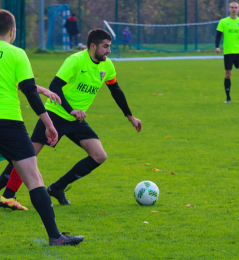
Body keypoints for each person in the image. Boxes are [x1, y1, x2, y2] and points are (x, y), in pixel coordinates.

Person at [0, 28, 142, 208]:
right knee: (25, 155)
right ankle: (7, 195)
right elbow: (55, 86)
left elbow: (116, 90)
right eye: (105, 47)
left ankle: (57, 188)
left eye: (109, 46)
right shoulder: (75, 61)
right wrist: (71, 109)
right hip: (56, 115)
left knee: (99, 155)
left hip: (77, 120)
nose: (109, 50)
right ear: (93, 46)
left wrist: (130, 117)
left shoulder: (107, 66)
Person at [0, 9, 84, 246]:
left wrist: (42, 89)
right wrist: (49, 124)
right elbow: (26, 89)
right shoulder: (17, 53)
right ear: (12, 31)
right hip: (9, 122)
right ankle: (55, 236)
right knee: (34, 179)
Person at [215, 2, 239, 104]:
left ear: (238, 9)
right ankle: (228, 98)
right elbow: (218, 35)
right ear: (229, 9)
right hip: (229, 52)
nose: (234, 9)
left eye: (236, 8)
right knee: (228, 74)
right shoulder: (223, 21)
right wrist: (217, 47)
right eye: (232, 8)